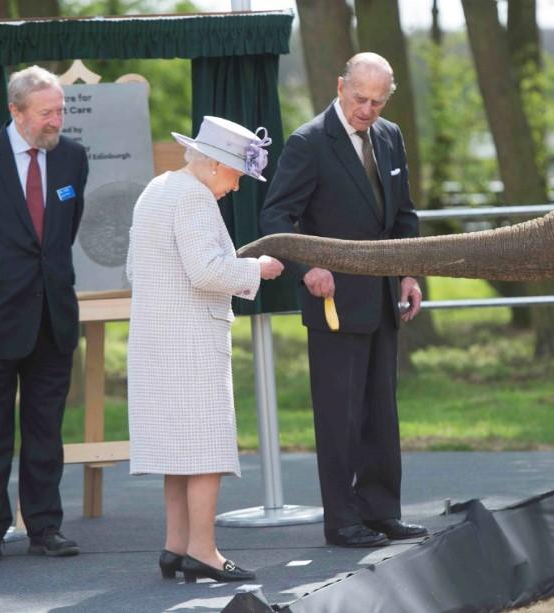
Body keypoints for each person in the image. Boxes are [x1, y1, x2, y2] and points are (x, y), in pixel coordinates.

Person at [260, 52, 427, 548]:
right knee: (340, 417)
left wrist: (408, 273)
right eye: (360, 99)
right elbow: (276, 217)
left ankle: (382, 511)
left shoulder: (390, 136)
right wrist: (307, 266)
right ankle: (343, 520)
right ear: (340, 87)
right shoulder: (309, 142)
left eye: (377, 102)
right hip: (333, 302)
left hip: (383, 298)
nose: (367, 110)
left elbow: (403, 216)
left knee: (381, 413)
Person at [126, 116, 284, 581]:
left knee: (178, 449)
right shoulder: (194, 197)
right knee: (206, 449)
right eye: (237, 174)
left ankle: (175, 546)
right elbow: (207, 271)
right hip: (191, 341)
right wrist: (257, 268)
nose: (236, 186)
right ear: (215, 164)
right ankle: (203, 550)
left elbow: (135, 268)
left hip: (157, 339)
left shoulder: (157, 188)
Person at [0, 66, 88, 562]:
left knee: (46, 430)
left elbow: (65, 231)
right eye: (46, 112)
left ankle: (45, 527)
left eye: (60, 111)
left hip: (53, 314)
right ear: (16, 111)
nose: (56, 121)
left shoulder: (72, 157)